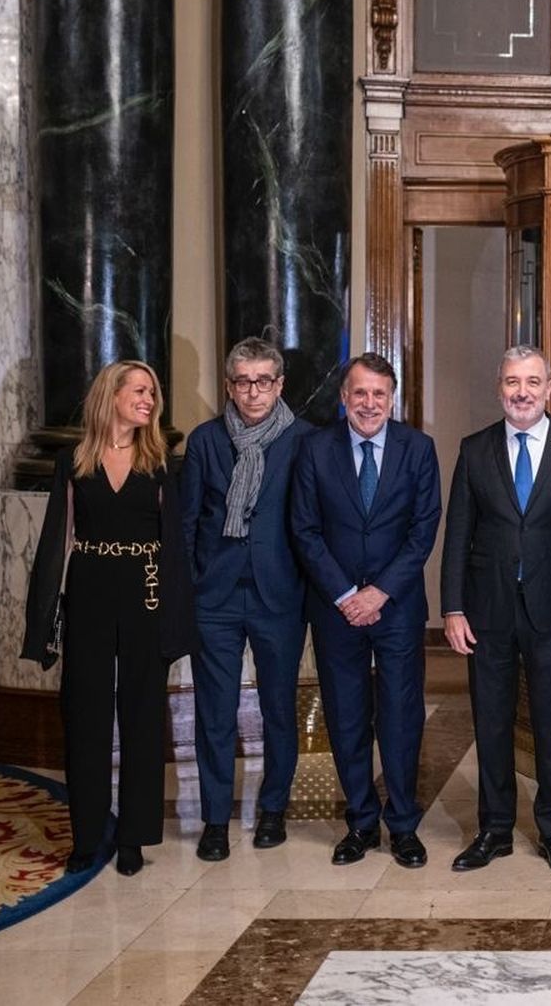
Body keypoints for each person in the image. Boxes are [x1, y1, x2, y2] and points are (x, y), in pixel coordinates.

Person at [24, 360, 197, 876]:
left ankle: (134, 838)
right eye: (140, 390)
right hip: (90, 591)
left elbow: (174, 548)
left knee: (143, 716)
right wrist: (42, 626)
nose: (149, 400)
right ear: (112, 394)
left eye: (153, 393)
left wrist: (176, 619)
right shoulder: (72, 460)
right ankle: (87, 835)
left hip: (145, 592)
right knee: (86, 715)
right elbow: (57, 538)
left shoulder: (162, 463)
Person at [441, 346, 551, 874]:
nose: (522, 392)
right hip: (487, 612)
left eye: (533, 381)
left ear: (550, 388)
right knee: (491, 722)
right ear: (499, 387)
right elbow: (458, 534)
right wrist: (453, 609)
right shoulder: (475, 448)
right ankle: (494, 828)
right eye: (513, 381)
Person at [290, 352, 441, 868]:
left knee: (401, 717)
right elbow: (304, 531)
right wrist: (344, 595)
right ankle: (360, 822)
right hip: (335, 610)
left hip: (396, 608)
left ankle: (402, 824)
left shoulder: (418, 449)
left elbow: (423, 532)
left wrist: (379, 593)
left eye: (379, 394)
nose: (369, 403)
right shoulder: (315, 449)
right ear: (344, 398)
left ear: (392, 398)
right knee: (347, 715)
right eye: (360, 393)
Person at [180, 338, 314, 861]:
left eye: (263, 381)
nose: (253, 391)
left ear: (279, 385)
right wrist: (194, 583)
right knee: (215, 710)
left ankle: (273, 810)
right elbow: (189, 522)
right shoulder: (206, 441)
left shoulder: (306, 441)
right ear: (229, 386)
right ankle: (215, 818)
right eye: (242, 381)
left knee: (278, 707)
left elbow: (311, 525)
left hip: (278, 594)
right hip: (215, 595)